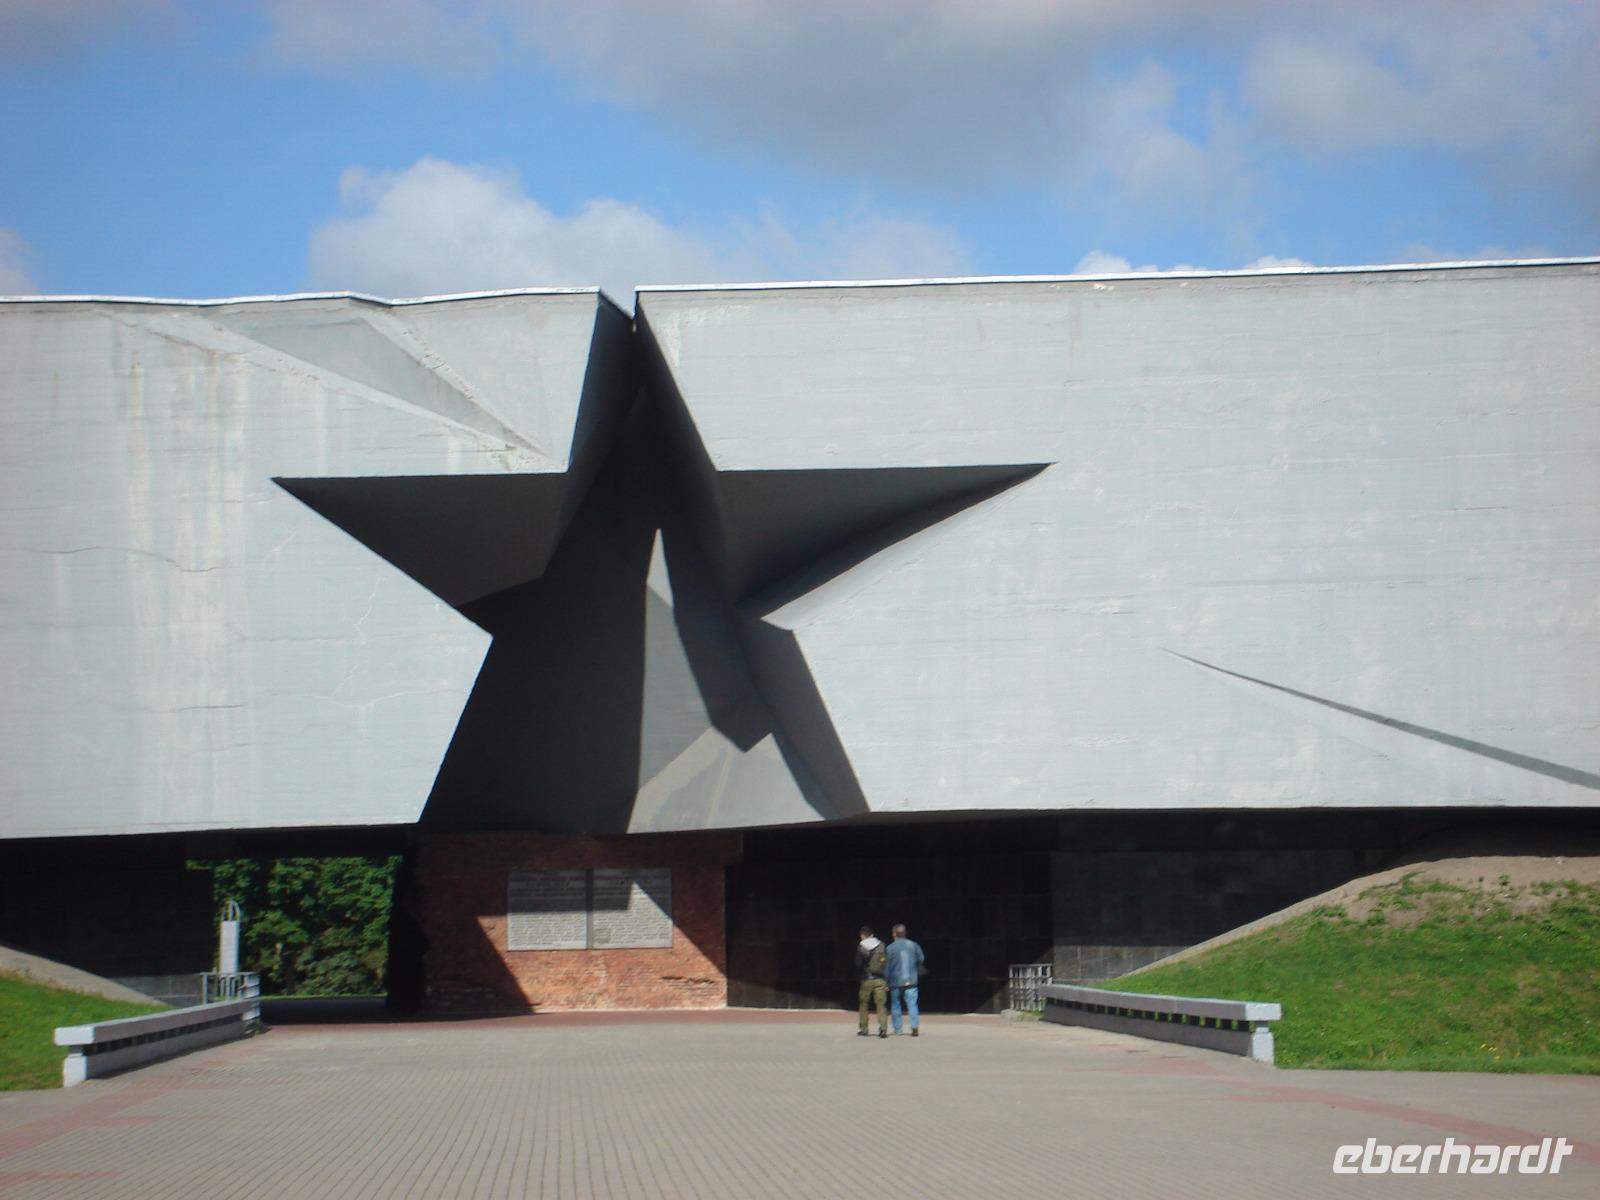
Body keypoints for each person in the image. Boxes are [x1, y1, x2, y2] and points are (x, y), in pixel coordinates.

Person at [885, 923, 925, 1037]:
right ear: (905, 933)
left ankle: (898, 1029)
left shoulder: (890, 948)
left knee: (896, 1005)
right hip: (911, 980)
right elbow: (921, 958)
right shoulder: (913, 945)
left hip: (895, 982)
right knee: (912, 1004)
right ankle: (914, 1026)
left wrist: (886, 982)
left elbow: (887, 967)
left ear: (894, 934)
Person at [854, 926, 889, 1038]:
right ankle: (883, 1029)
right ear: (872, 934)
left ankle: (864, 1029)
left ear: (862, 935)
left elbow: (857, 965)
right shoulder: (881, 945)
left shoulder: (861, 947)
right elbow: (884, 962)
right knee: (881, 1004)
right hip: (880, 979)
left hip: (866, 980)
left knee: (864, 1004)